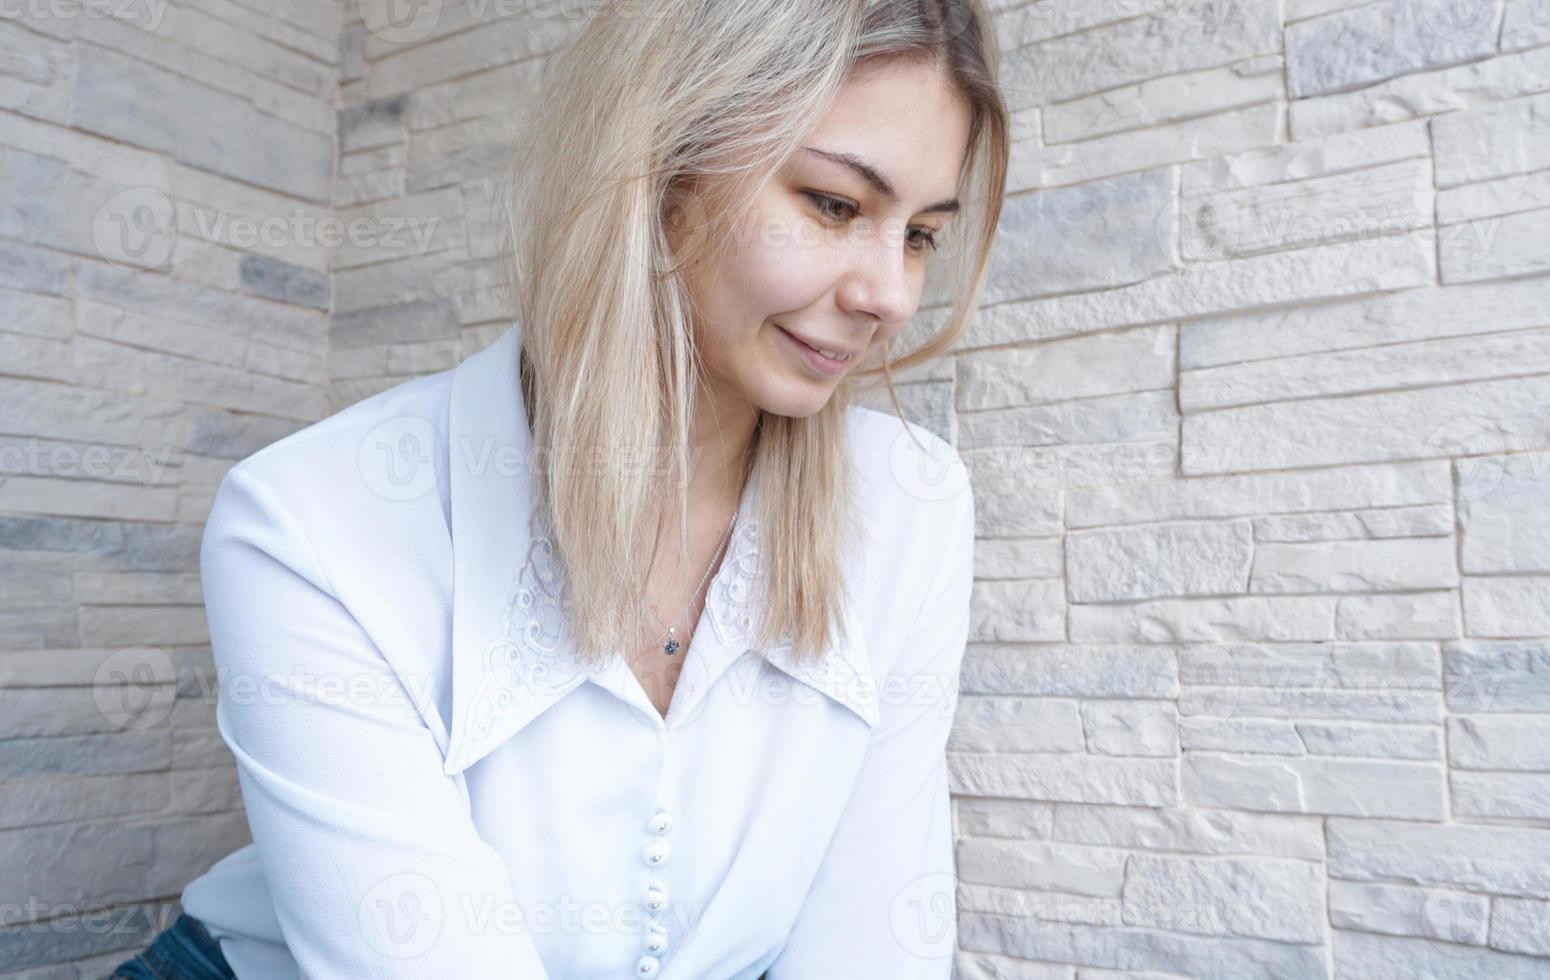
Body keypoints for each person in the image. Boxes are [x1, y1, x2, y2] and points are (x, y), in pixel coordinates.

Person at [110, 0, 1008, 977]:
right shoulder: (310, 516)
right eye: (833, 206)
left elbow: (869, 942)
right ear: (661, 167)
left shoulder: (910, 506)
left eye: (919, 234)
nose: (891, 295)